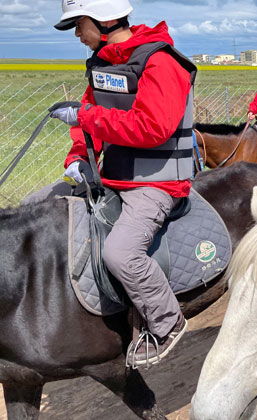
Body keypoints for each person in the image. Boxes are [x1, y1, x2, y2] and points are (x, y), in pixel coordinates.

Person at [50, 0, 196, 367]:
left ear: (107, 20)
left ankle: (167, 321)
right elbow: (90, 125)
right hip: (113, 177)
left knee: (120, 253)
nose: (79, 36)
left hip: (157, 184)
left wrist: (86, 115)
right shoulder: (102, 63)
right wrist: (79, 159)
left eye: (79, 26)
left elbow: (153, 127)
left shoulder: (161, 62)